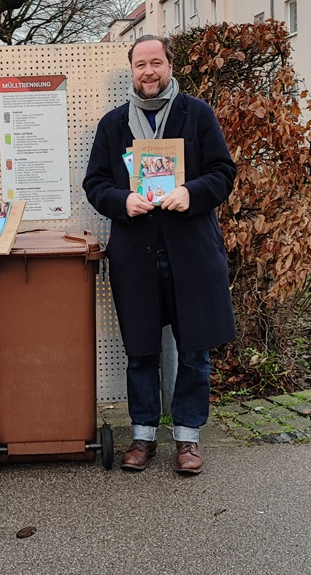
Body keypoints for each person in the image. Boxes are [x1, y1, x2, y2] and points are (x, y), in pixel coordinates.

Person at [83, 35, 236, 475]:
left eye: (156, 63)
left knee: (194, 351)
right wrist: (120, 201)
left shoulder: (197, 114)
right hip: (137, 254)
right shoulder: (114, 125)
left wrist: (192, 192)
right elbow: (94, 183)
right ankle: (144, 435)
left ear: (170, 66)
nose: (148, 71)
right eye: (139, 65)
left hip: (191, 253)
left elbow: (224, 172)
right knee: (141, 351)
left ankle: (188, 438)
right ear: (131, 71)